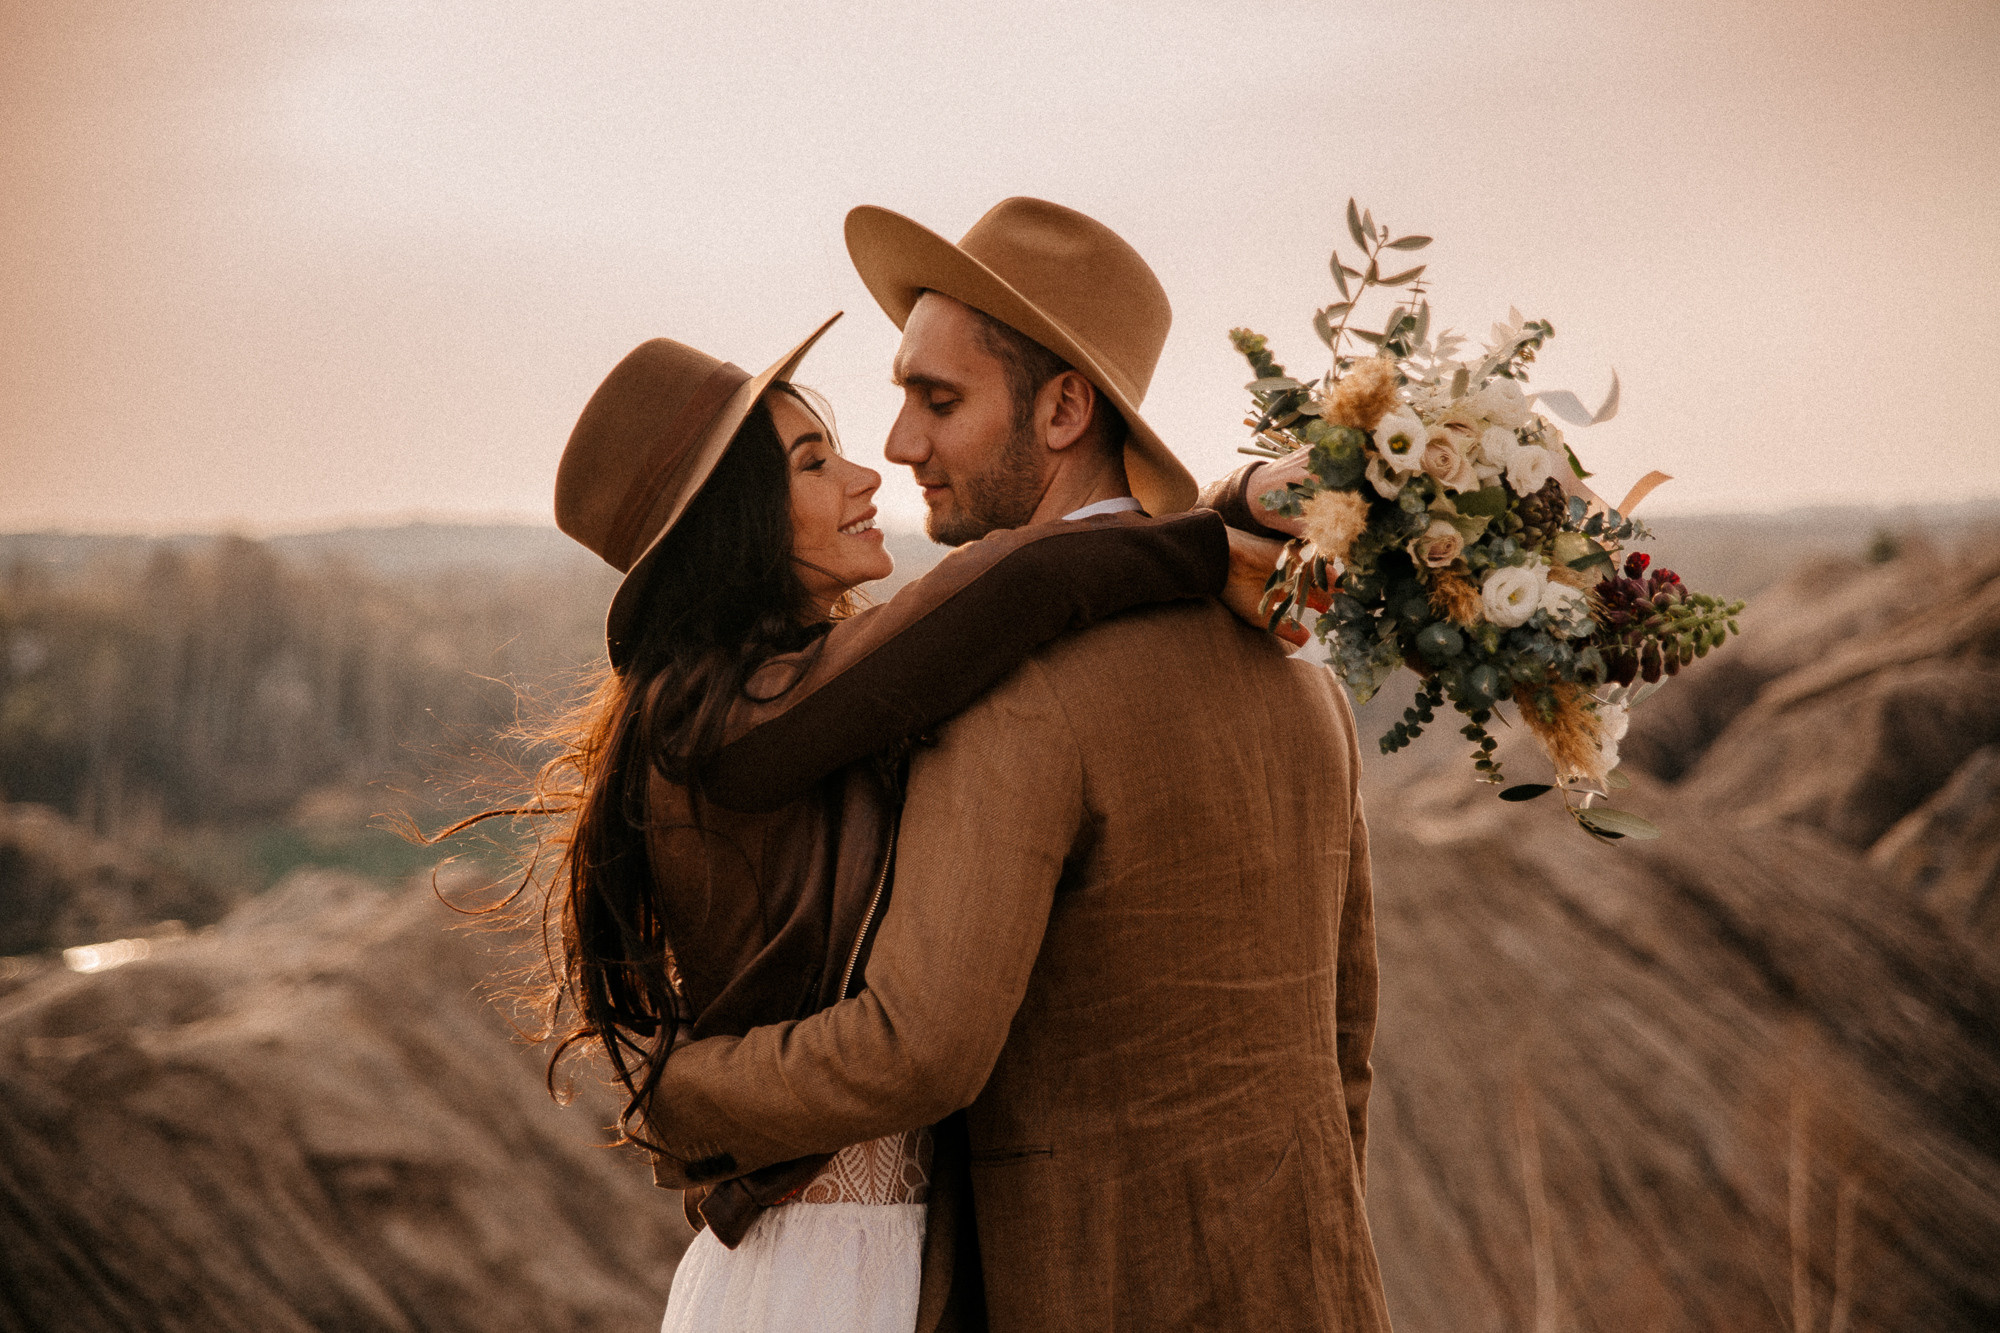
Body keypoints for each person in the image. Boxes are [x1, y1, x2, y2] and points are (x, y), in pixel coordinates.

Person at [641, 199, 1394, 1331]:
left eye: (935, 400)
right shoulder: (1302, 674)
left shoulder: (1012, 694)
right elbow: (1345, 1049)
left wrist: (680, 1097)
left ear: (1060, 408)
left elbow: (918, 1044)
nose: (897, 447)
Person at [507, 312, 1286, 1332]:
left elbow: (974, 610)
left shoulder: (785, 699)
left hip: (867, 1258)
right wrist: (1206, 537)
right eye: (813, 461)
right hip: (826, 1273)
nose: (868, 476)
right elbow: (1015, 580)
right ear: (735, 523)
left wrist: (1226, 504)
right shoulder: (730, 723)